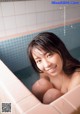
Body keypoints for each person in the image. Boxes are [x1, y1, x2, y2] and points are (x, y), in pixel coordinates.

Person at [28, 32, 80, 104]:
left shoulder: (77, 77)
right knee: (39, 86)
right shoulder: (44, 70)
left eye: (49, 55)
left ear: (61, 51)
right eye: (39, 60)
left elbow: (74, 106)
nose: (46, 65)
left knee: (52, 95)